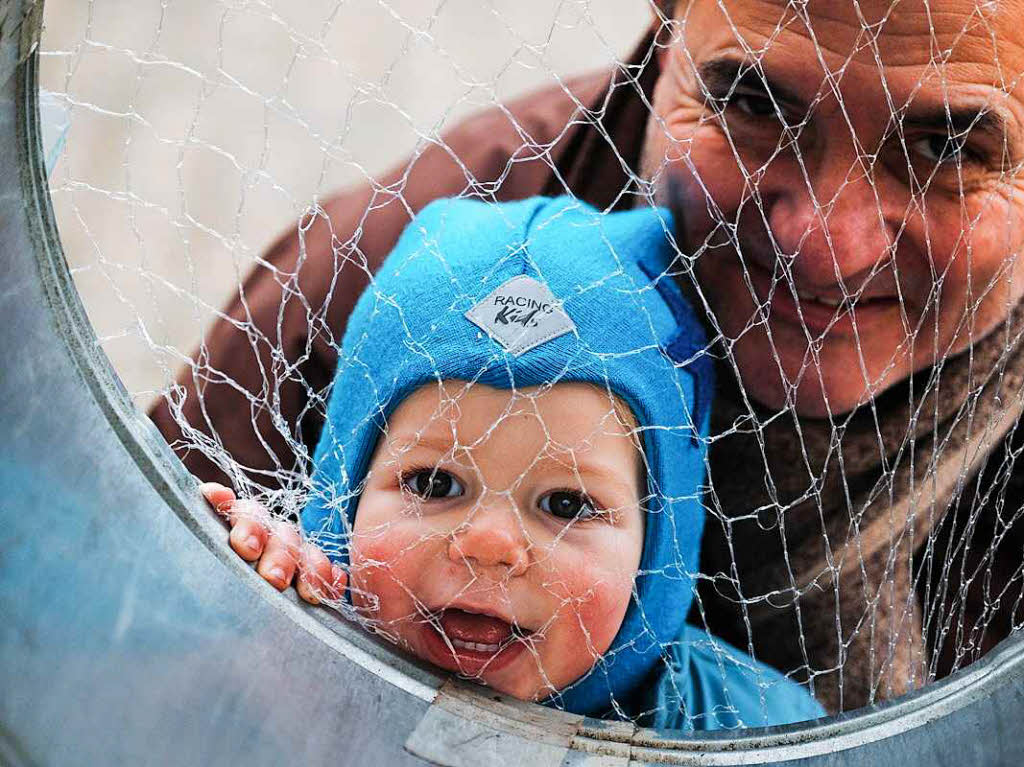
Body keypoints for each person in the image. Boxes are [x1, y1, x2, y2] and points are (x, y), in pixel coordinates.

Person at [151, 0, 1024, 714]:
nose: (827, 244)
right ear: (669, 24)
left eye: (950, 149)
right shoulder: (403, 269)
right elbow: (93, 633)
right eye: (755, 104)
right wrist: (258, 605)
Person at [202, 195, 824, 728]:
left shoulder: (745, 731)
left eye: (566, 503)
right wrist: (250, 598)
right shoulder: (290, 644)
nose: (491, 543)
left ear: (660, 543)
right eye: (435, 482)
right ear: (344, 492)